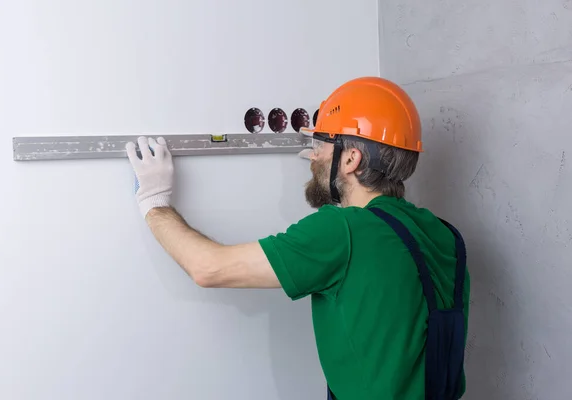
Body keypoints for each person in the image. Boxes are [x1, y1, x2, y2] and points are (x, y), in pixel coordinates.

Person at [125, 77, 471, 400]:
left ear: (351, 159)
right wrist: (327, 170)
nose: (312, 155)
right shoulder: (444, 234)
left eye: (320, 144)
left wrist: (154, 201)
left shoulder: (342, 231)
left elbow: (208, 268)